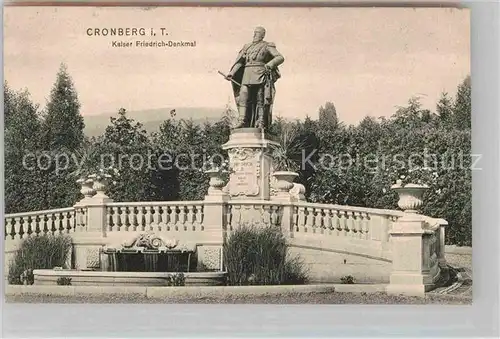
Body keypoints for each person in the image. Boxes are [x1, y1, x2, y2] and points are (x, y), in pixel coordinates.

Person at [225, 26, 284, 130]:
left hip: (260, 73)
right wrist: (232, 73)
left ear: (262, 35)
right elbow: (240, 62)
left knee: (260, 98)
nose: (255, 35)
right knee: (243, 96)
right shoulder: (247, 47)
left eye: (257, 33)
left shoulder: (267, 46)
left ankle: (261, 121)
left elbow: (280, 57)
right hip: (247, 73)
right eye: (254, 33)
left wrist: (270, 64)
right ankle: (242, 120)